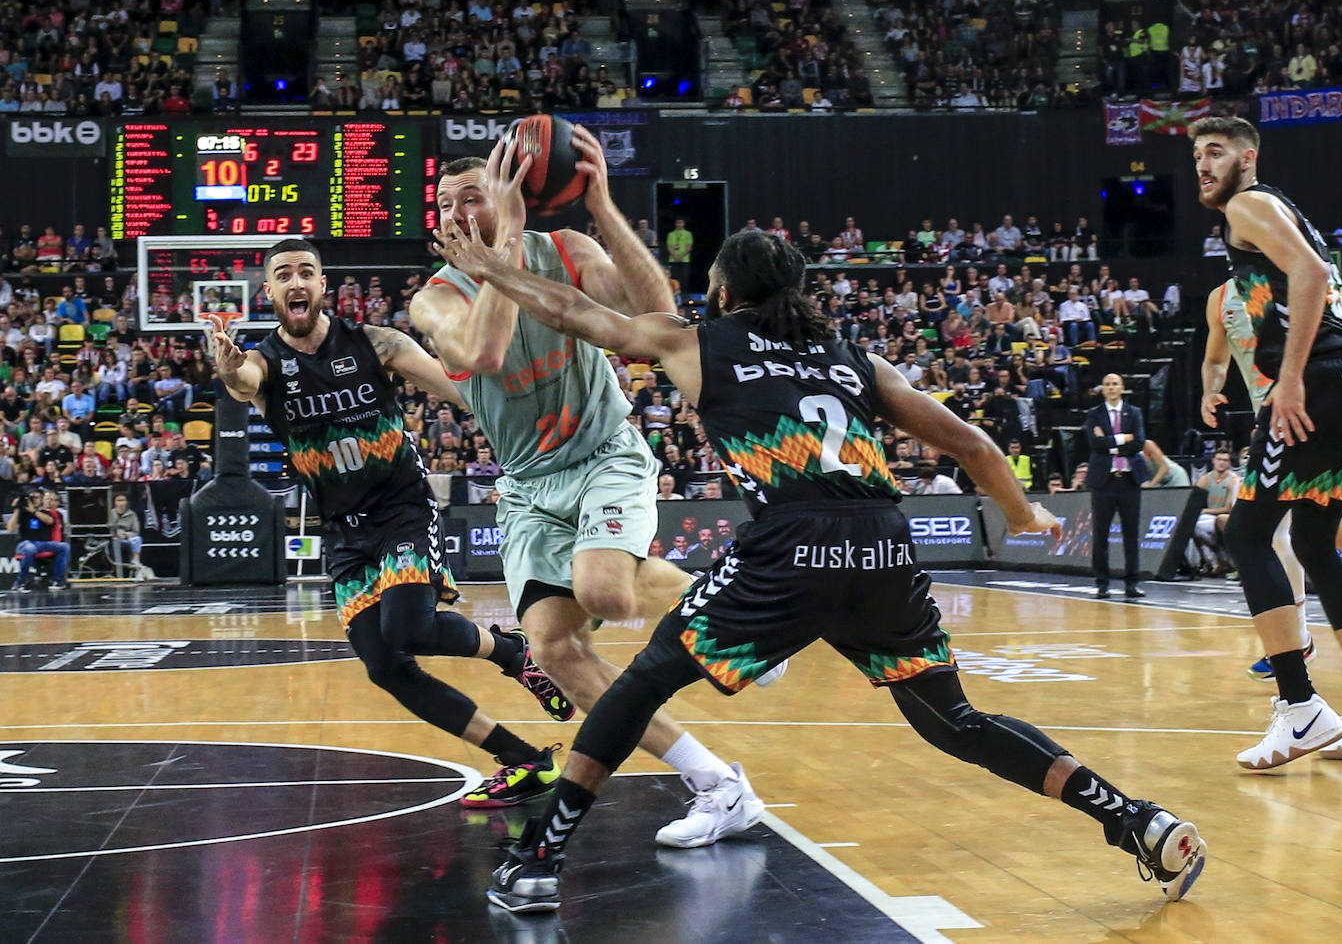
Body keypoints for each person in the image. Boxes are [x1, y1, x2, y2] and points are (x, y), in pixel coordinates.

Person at [443, 229, 1206, 914]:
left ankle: (539, 857)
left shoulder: (701, 342)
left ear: (726, 292)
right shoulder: (855, 357)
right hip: (881, 547)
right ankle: (1136, 820)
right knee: (957, 722)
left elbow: (581, 316)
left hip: (793, 546)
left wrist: (488, 269)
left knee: (642, 681)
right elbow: (971, 444)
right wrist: (1021, 513)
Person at [410, 134, 764, 840]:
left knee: (605, 590)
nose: (455, 212)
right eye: (444, 203)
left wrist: (600, 201)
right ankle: (717, 784)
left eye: (472, 195)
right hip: (529, 484)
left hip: (603, 452)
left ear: (512, 192)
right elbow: (482, 352)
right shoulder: (435, 299)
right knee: (552, 649)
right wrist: (500, 246)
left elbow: (656, 318)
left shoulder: (568, 249)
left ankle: (741, 623)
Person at [212, 237, 575, 795]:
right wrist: (230, 368)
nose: (296, 283)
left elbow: (463, 392)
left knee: (407, 627)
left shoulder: (375, 342)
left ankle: (512, 652)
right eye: (283, 275)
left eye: (306, 272)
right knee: (385, 667)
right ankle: (524, 759)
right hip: (342, 531)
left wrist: (532, 412)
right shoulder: (264, 363)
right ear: (270, 293)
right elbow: (243, 384)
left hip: (402, 506)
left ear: (323, 285)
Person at [1191, 115, 1342, 767]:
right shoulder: (1278, 209)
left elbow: (1308, 273)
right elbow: (1339, 294)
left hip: (1312, 383)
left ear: (1248, 156)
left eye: (1216, 152)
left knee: (1245, 535)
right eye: (1197, 156)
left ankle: (1300, 710)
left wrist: (1290, 378)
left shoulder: (1248, 205)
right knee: (1315, 544)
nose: (1203, 165)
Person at [1202, 276, 1342, 691]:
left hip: (1315, 402)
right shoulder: (1221, 296)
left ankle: (1297, 646)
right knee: (1310, 532)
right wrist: (1211, 391)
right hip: (1276, 415)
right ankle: (1302, 645)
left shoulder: (1299, 270)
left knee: (1269, 531)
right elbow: (1215, 360)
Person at [1083, 374, 1148, 599]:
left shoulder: (1135, 413)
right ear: (1103, 390)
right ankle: (1102, 584)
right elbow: (1094, 444)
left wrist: (1109, 442)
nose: (1111, 388)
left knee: (1131, 535)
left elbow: (1139, 442)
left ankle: (1132, 583)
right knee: (1100, 535)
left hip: (1129, 481)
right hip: (1104, 482)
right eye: (1107, 385)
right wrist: (1122, 439)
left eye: (1115, 384)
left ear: (1122, 388)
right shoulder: (1094, 415)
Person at [7, 488, 70, 591]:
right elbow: (10, 528)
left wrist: (33, 511)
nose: (37, 499)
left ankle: (58, 581)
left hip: (42, 544)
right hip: (25, 543)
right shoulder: (23, 513)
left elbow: (49, 521)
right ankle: (20, 582)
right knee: (30, 548)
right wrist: (17, 509)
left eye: (38, 497)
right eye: (34, 497)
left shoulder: (46, 512)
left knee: (64, 547)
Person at [1192, 449, 1239, 575]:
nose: (1221, 463)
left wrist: (1204, 511)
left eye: (1225, 460)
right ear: (1213, 460)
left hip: (1223, 517)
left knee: (1210, 522)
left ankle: (1223, 560)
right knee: (1191, 524)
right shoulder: (1205, 479)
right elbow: (1193, 501)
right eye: (1219, 459)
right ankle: (1212, 562)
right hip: (1209, 517)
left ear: (1229, 463)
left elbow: (1228, 509)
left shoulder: (1233, 481)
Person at [109, 491, 148, 579]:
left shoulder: (132, 514)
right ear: (114, 502)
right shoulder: (110, 514)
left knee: (138, 539)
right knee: (115, 542)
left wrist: (126, 535)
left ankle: (136, 563)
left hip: (127, 538)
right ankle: (116, 572)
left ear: (127, 502)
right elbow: (107, 528)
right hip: (113, 538)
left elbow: (136, 531)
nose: (121, 503)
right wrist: (116, 534)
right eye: (118, 500)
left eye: (123, 500)